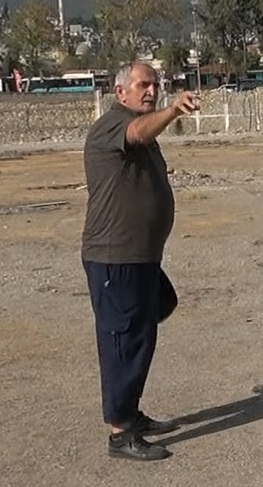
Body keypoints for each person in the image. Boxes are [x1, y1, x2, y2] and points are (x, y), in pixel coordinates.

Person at [80, 61, 199, 462]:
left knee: (142, 333)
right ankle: (120, 433)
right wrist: (173, 110)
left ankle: (131, 414)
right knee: (122, 341)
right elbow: (137, 132)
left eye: (156, 85)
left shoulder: (140, 127)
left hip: (141, 256)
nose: (151, 91)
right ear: (121, 93)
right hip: (116, 257)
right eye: (143, 85)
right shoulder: (113, 125)